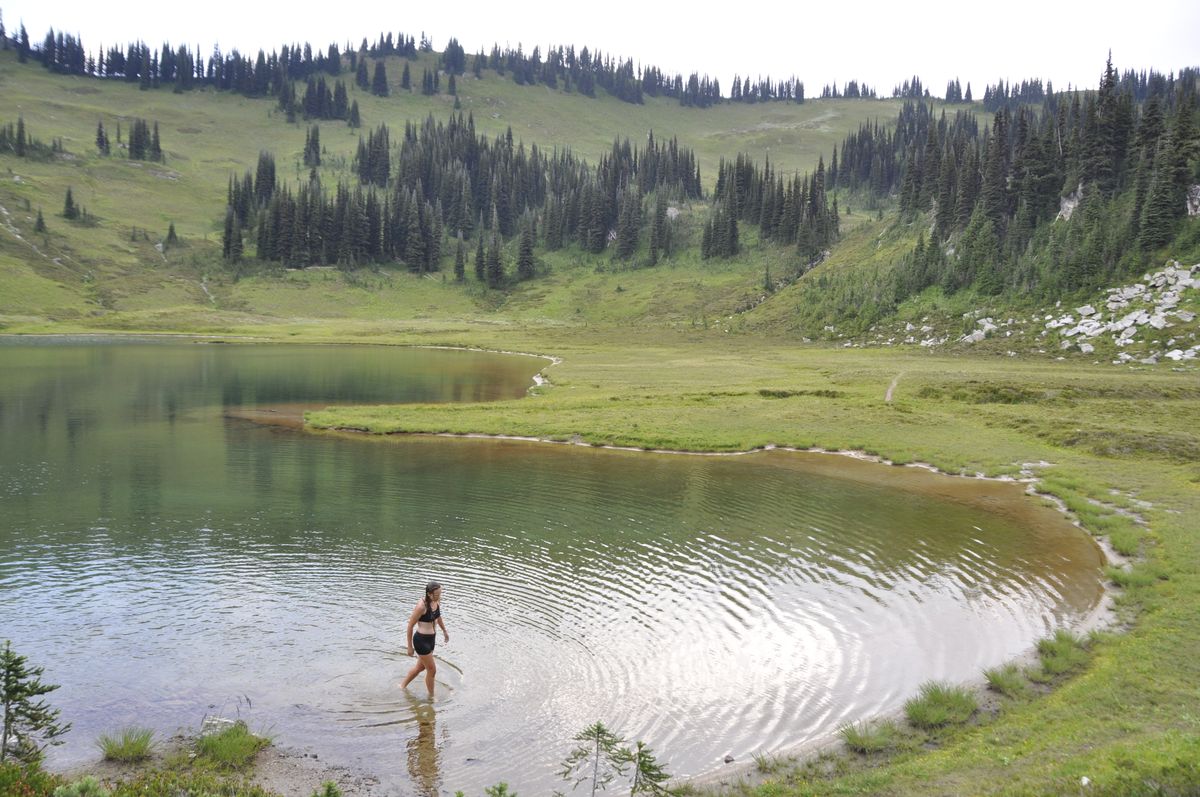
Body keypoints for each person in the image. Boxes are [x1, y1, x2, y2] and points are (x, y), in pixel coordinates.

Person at [401, 581, 449, 695]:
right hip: (421, 641)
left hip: (431, 639)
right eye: (437, 594)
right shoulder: (421, 606)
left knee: (420, 668)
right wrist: (409, 647)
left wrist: (444, 631)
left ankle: (402, 686)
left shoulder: (436, 601)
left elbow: (438, 616)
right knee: (432, 670)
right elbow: (410, 625)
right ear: (429, 594)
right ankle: (432, 697)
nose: (439, 596)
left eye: (440, 594)